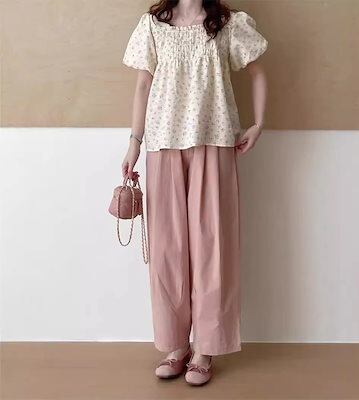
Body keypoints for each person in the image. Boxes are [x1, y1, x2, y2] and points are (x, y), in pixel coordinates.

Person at [121, 0, 268, 386]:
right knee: (167, 250)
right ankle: (175, 346)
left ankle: (205, 348)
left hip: (214, 140)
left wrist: (257, 124)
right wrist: (134, 143)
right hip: (162, 143)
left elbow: (257, 72)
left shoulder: (228, 24)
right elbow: (142, 85)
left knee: (211, 247)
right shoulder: (153, 25)